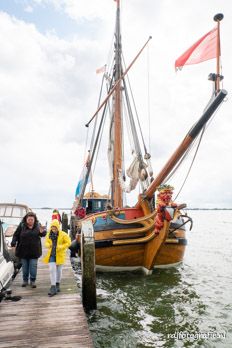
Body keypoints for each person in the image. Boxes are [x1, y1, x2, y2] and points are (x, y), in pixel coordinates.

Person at [11, 212, 46, 288]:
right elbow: (16, 235)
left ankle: (32, 281)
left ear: (34, 220)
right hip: (23, 251)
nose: (30, 221)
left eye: (32, 219)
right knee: (25, 267)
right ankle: (25, 280)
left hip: (34, 251)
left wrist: (42, 232)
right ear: (26, 219)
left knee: (33, 266)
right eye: (29, 219)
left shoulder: (38, 225)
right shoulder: (22, 226)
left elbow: (43, 234)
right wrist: (13, 243)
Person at [43, 219, 71, 297]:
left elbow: (68, 242)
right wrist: (48, 245)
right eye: (52, 228)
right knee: (52, 269)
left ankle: (57, 284)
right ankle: (53, 286)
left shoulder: (63, 234)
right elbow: (46, 242)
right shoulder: (49, 234)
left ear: (58, 227)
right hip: (51, 254)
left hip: (60, 255)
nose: (53, 229)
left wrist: (61, 246)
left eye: (55, 228)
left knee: (59, 270)